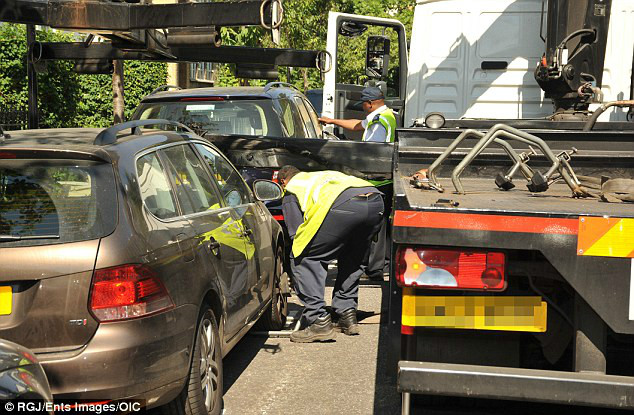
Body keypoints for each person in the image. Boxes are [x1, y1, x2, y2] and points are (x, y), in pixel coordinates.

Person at [278, 166, 384, 343]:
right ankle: (347, 314)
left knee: (304, 256)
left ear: (283, 182)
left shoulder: (291, 188)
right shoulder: (320, 176)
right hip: (375, 201)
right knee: (352, 257)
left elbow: (297, 234)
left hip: (344, 205)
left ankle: (318, 320)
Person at [318, 86, 396, 142]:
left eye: (363, 103)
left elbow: (374, 148)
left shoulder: (378, 122)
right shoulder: (386, 114)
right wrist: (331, 121)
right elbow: (357, 125)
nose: (362, 106)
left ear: (369, 103)